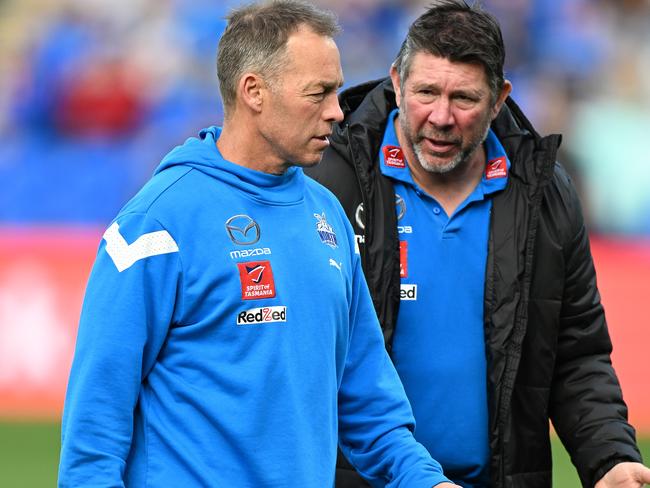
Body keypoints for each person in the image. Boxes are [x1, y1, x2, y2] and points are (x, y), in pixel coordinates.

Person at [57, 1, 460, 487]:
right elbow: (93, 437)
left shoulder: (326, 213)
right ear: (254, 91)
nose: (337, 111)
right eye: (319, 93)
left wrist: (428, 481)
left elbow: (370, 407)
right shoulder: (156, 225)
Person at [306, 1, 650, 487]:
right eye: (426, 92)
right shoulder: (328, 181)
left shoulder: (543, 192)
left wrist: (610, 457)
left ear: (499, 98)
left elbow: (577, 354)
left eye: (463, 98)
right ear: (397, 83)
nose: (441, 116)